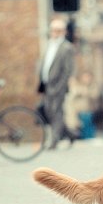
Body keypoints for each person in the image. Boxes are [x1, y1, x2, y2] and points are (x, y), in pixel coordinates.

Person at [38, 17, 76, 149]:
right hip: (46, 85)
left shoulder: (67, 47)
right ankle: (70, 134)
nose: (55, 32)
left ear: (64, 31)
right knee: (49, 112)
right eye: (53, 30)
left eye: (58, 30)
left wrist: (61, 86)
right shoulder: (49, 44)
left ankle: (54, 141)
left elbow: (68, 71)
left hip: (58, 86)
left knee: (57, 112)